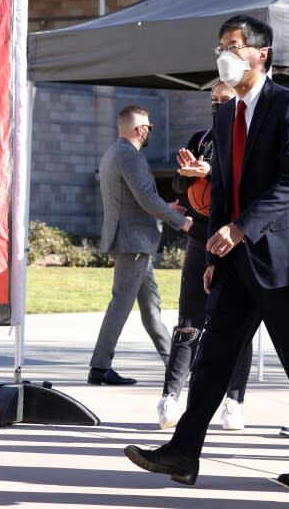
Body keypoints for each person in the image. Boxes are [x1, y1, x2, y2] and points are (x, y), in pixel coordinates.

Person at [125, 14, 289, 487]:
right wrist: (215, 254)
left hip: (281, 258)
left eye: (235, 45)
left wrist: (240, 229)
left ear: (262, 54)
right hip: (234, 260)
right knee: (213, 357)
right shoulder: (224, 113)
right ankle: (184, 451)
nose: (225, 54)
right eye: (221, 45)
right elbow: (222, 187)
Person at [157, 81, 253, 431]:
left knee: (237, 325)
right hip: (201, 237)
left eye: (224, 100)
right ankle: (170, 395)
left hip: (238, 239)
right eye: (213, 100)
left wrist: (210, 172)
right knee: (189, 319)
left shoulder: (250, 138)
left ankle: (234, 401)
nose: (217, 105)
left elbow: (247, 181)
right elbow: (179, 188)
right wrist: (188, 175)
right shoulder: (200, 138)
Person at [88, 106, 193, 386]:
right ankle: (99, 367)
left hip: (133, 240)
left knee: (150, 307)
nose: (149, 131)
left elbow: (133, 199)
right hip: (132, 241)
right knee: (121, 303)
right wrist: (180, 222)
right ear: (140, 129)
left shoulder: (114, 152)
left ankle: (175, 364)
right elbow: (146, 197)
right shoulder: (129, 156)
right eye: (149, 127)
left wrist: (166, 207)